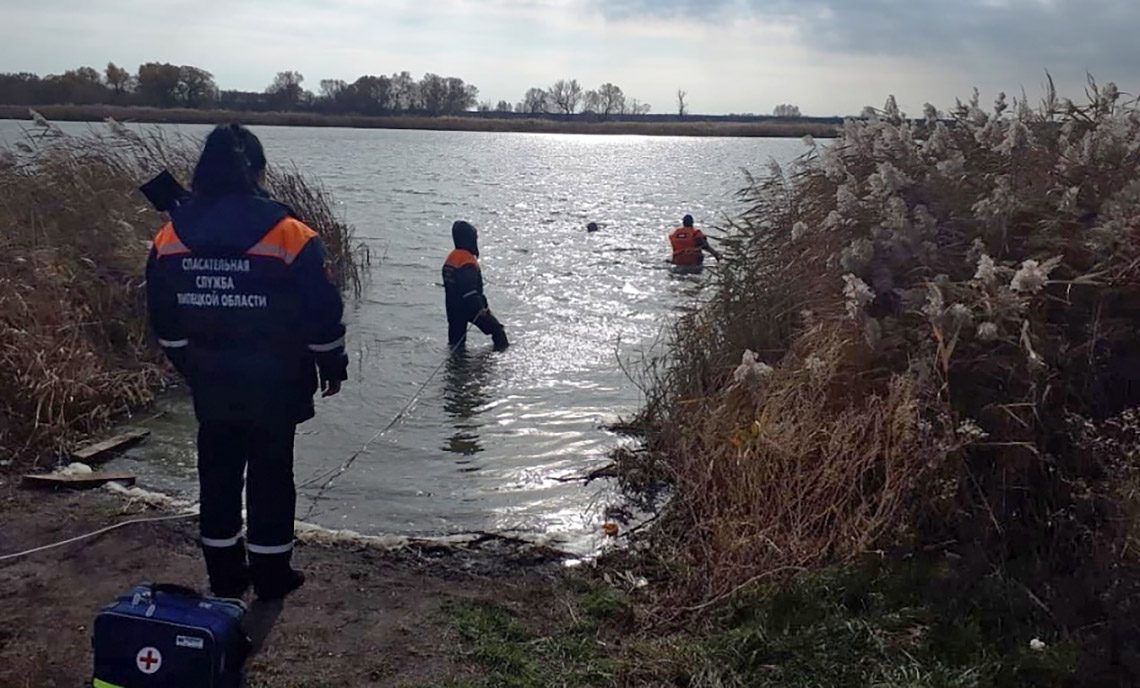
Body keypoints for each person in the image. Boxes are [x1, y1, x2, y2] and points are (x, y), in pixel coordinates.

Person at [146, 123, 348, 601]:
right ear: (257, 171)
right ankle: (273, 576)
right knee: (271, 476)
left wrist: (187, 365)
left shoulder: (170, 236)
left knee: (216, 477)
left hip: (211, 381)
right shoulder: (291, 234)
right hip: (277, 381)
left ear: (202, 173)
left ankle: (224, 577)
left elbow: (163, 317)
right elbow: (321, 308)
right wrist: (331, 361)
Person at [442, 220, 509, 351]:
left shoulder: (451, 259)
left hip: (453, 309)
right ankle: (501, 359)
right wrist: (481, 309)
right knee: (498, 331)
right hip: (471, 307)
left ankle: (456, 368)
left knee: (456, 344)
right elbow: (470, 292)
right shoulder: (467, 261)